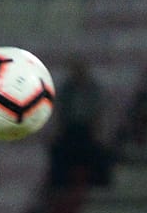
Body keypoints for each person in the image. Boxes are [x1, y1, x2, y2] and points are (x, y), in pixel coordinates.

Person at [48, 58, 113, 189]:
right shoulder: (66, 90)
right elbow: (61, 114)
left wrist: (97, 132)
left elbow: (97, 113)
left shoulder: (93, 90)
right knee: (58, 151)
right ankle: (59, 184)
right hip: (70, 129)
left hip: (87, 129)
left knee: (99, 152)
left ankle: (100, 183)